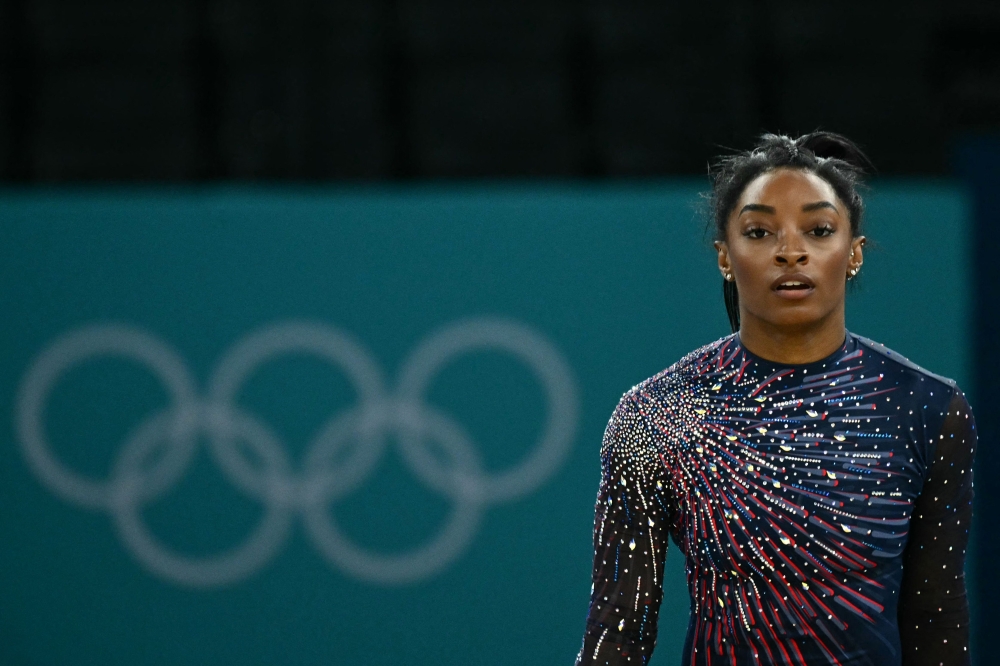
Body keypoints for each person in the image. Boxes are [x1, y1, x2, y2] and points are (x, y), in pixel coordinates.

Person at [574, 132, 976, 666]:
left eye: (818, 229)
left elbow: (935, 617)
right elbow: (618, 629)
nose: (791, 251)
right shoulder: (657, 415)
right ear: (725, 255)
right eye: (760, 231)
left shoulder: (927, 410)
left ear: (853, 253)